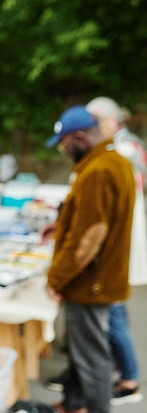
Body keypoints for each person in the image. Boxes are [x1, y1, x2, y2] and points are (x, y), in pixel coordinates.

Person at [44, 97, 145, 406]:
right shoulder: (112, 161)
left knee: (93, 359)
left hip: (91, 283)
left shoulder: (98, 171)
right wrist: (59, 227)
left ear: (80, 138)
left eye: (64, 146)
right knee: (83, 350)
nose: (65, 152)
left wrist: (56, 279)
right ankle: (72, 403)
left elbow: (89, 238)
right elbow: (92, 219)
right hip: (99, 279)